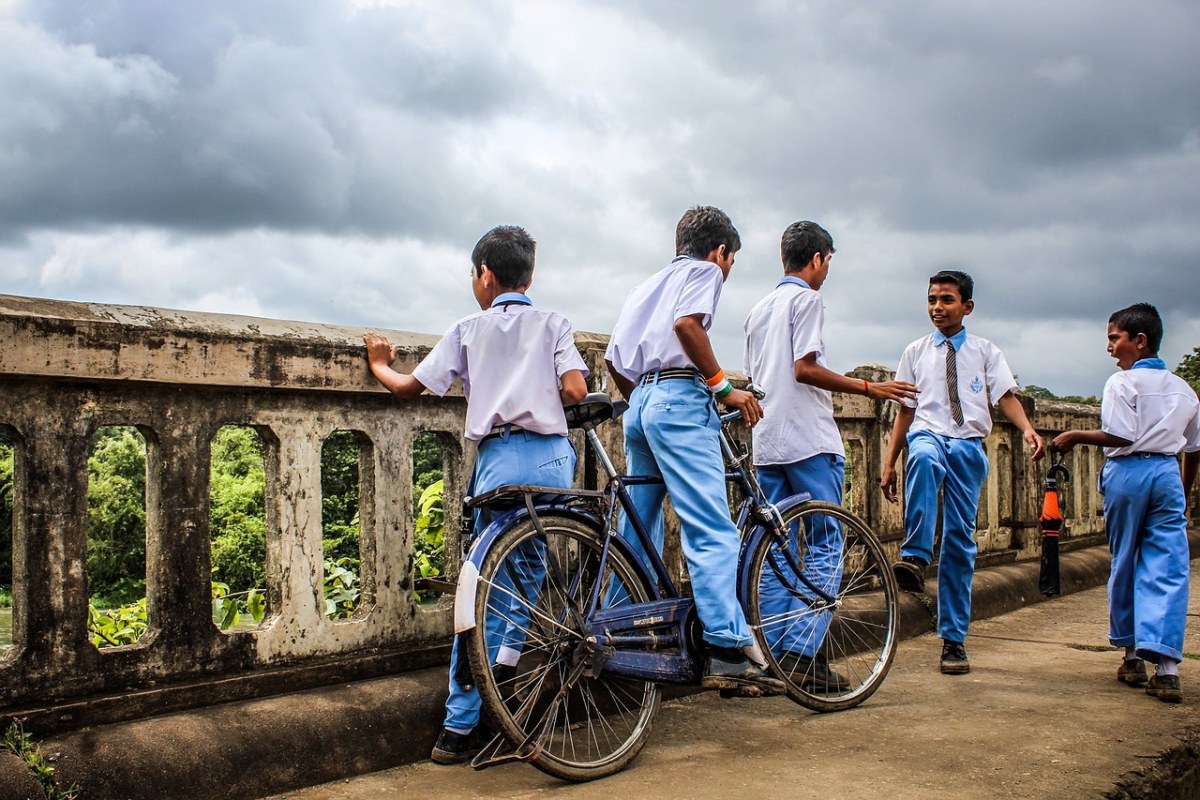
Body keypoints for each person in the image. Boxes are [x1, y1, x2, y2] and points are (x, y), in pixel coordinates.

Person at [364, 225, 588, 763]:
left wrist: (377, 363)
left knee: (482, 581)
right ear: (528, 275)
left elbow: (408, 388)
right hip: (554, 461)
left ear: (484, 274)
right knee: (527, 575)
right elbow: (576, 389)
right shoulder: (554, 322)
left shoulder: (469, 328)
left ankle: (460, 721)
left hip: (500, 462)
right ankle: (503, 689)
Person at [605, 205, 783, 696]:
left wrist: (643, 398)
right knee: (710, 528)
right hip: (682, 401)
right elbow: (688, 326)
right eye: (731, 260)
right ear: (720, 250)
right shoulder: (704, 271)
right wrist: (724, 388)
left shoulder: (646, 285)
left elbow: (614, 358)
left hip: (641, 403)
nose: (726, 269)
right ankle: (726, 646)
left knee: (638, 527)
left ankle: (623, 630)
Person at [743, 220, 918, 688]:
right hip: (808, 440)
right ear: (817, 259)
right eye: (828, 262)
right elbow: (805, 368)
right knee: (825, 541)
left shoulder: (758, 309)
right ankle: (802, 651)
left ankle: (769, 656)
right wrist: (869, 387)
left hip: (767, 441)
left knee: (775, 550)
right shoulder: (807, 300)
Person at [880, 270, 1045, 675]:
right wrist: (888, 461)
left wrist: (1027, 430)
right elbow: (905, 410)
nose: (937, 307)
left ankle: (953, 639)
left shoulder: (986, 352)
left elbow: (1004, 396)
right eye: (932, 300)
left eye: (947, 300)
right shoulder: (916, 352)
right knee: (922, 458)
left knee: (959, 542)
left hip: (968, 447)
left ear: (966, 306)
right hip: (928, 435)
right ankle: (916, 555)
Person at [1050, 302, 1200, 703]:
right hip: (1167, 472)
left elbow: (1121, 436)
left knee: (1125, 558)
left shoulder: (1122, 384)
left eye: (1114, 338)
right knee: (1168, 566)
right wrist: (1183, 491)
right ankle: (1166, 667)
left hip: (1129, 474)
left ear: (1139, 340)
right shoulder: (1184, 389)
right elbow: (1194, 447)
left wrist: (1076, 435)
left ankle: (1131, 654)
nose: (1110, 348)